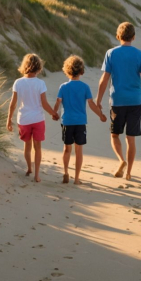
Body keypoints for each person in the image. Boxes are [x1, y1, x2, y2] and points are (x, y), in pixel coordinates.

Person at [96, 22, 141, 180]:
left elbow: (104, 79)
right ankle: (129, 172)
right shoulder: (139, 54)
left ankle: (121, 160)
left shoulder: (111, 53)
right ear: (134, 36)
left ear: (118, 36)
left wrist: (98, 100)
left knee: (115, 135)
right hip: (135, 101)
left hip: (117, 101)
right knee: (131, 138)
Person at [53, 55, 106, 185]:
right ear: (82, 71)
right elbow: (91, 104)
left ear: (67, 71)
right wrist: (100, 114)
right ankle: (76, 179)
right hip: (80, 122)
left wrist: (54, 113)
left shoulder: (63, 87)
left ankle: (65, 172)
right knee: (78, 151)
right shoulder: (85, 87)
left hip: (67, 121)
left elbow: (58, 102)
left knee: (66, 149)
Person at [6, 53, 58, 183]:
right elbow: (44, 103)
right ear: (39, 68)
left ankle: (29, 168)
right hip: (38, 119)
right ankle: (37, 175)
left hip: (23, 119)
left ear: (24, 66)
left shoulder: (18, 82)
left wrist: (9, 119)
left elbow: (13, 104)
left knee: (27, 146)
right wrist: (53, 113)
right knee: (38, 147)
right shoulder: (40, 83)